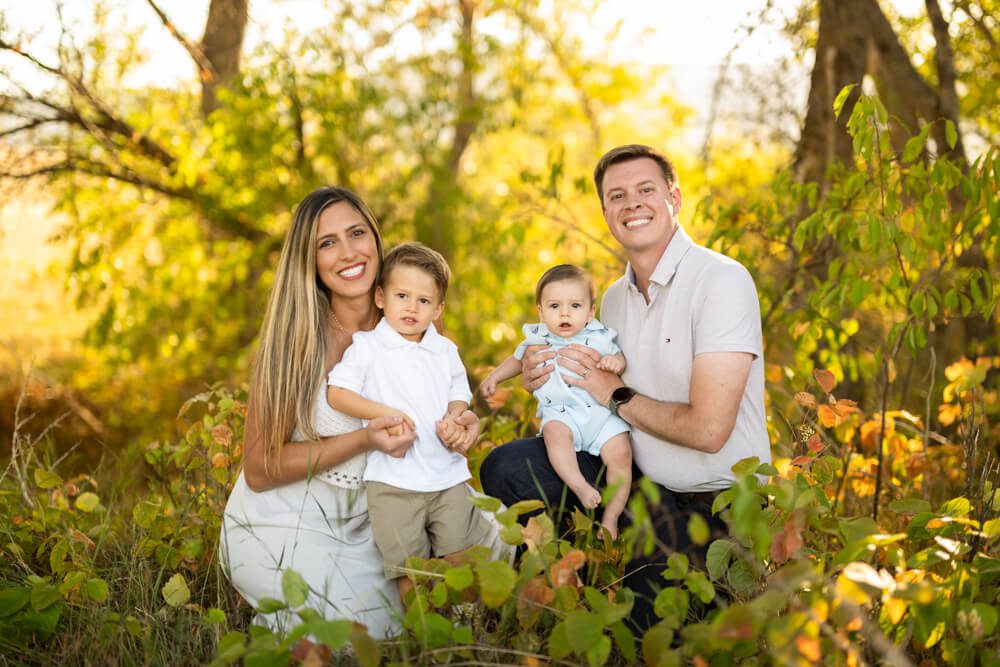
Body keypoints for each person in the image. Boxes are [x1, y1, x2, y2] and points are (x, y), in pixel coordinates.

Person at [479, 144, 770, 630]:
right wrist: (546, 378)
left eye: (646, 190)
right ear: (606, 213)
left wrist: (613, 393)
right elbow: (585, 393)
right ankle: (586, 565)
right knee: (507, 465)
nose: (631, 203)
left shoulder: (721, 280)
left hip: (716, 505)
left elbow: (709, 430)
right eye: (617, 195)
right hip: (637, 486)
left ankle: (637, 578)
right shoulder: (610, 301)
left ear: (675, 198)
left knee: (654, 634)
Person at [219, 187, 483, 639]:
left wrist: (462, 421)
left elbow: (447, 405)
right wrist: (362, 440)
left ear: (376, 239)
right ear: (309, 259)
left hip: (387, 506)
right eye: (327, 243)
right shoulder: (294, 342)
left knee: (487, 561)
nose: (348, 253)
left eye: (357, 233)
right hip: (291, 515)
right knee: (361, 631)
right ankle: (266, 581)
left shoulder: (416, 318)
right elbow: (260, 469)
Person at [327, 242, 496, 601]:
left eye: (423, 300)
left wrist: (454, 417)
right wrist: (382, 414)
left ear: (438, 309)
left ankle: (466, 625)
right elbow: (337, 393)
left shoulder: (444, 349)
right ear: (380, 297)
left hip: (446, 475)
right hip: (393, 481)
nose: (411, 307)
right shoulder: (367, 347)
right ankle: (422, 636)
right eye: (402, 295)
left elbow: (458, 392)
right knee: (409, 567)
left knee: (461, 556)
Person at [480, 264, 632, 538]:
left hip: (600, 416)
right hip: (563, 414)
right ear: (540, 311)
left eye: (575, 305)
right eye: (554, 306)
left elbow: (619, 358)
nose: (564, 313)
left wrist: (615, 362)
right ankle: (580, 486)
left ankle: (611, 517)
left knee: (621, 454)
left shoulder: (599, 336)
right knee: (554, 433)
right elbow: (516, 360)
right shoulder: (538, 336)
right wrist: (494, 377)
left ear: (590, 311)